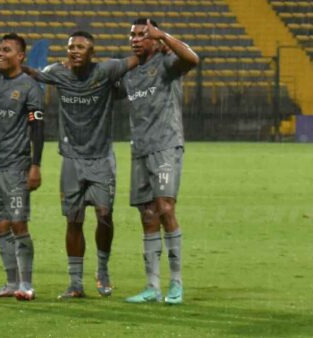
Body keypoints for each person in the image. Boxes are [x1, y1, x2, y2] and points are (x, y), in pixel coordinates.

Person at [0, 31, 138, 298]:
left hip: (101, 157)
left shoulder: (106, 70)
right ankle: (75, 283)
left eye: (81, 47)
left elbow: (136, 58)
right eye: (70, 47)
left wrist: (156, 45)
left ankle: (102, 269)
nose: (74, 51)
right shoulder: (57, 72)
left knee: (104, 215)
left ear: (92, 52)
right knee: (73, 219)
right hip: (71, 159)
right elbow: (28, 72)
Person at [122, 19, 199, 305]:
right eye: (133, 35)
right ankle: (152, 287)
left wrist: (164, 35)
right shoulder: (130, 73)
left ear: (155, 39)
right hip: (139, 149)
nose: (136, 39)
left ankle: (176, 283)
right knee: (147, 215)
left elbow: (193, 58)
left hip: (166, 145)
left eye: (143, 34)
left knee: (165, 208)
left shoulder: (168, 64)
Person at [0, 33, 45, 301]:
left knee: (18, 223)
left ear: (20, 56)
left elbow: (37, 127)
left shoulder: (29, 86)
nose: (0, 53)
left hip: (17, 165)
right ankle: (11, 282)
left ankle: (26, 284)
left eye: (6, 50)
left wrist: (35, 165)